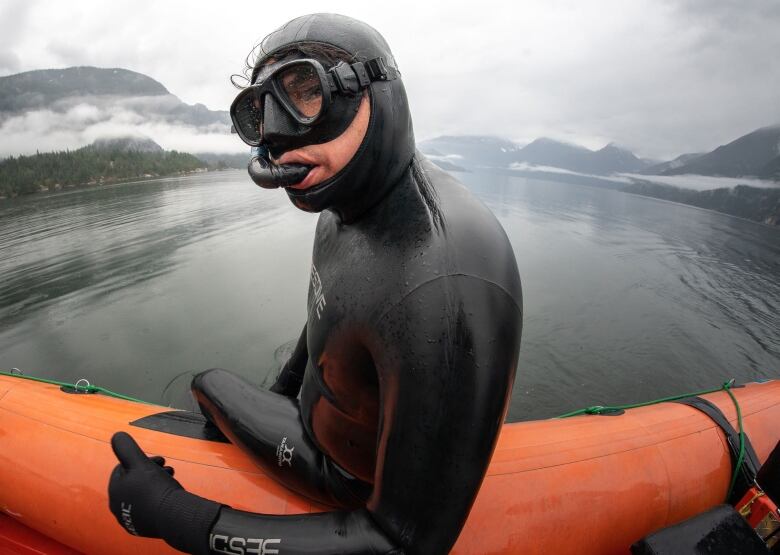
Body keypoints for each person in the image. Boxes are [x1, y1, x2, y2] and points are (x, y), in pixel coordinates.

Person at [108, 13, 522, 555]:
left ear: (378, 92)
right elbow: (326, 315)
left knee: (208, 386)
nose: (277, 139)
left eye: (306, 95)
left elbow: (404, 544)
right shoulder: (339, 201)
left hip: (350, 480)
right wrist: (279, 393)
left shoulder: (449, 281)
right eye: (259, 114)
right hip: (308, 424)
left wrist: (179, 516)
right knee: (205, 384)